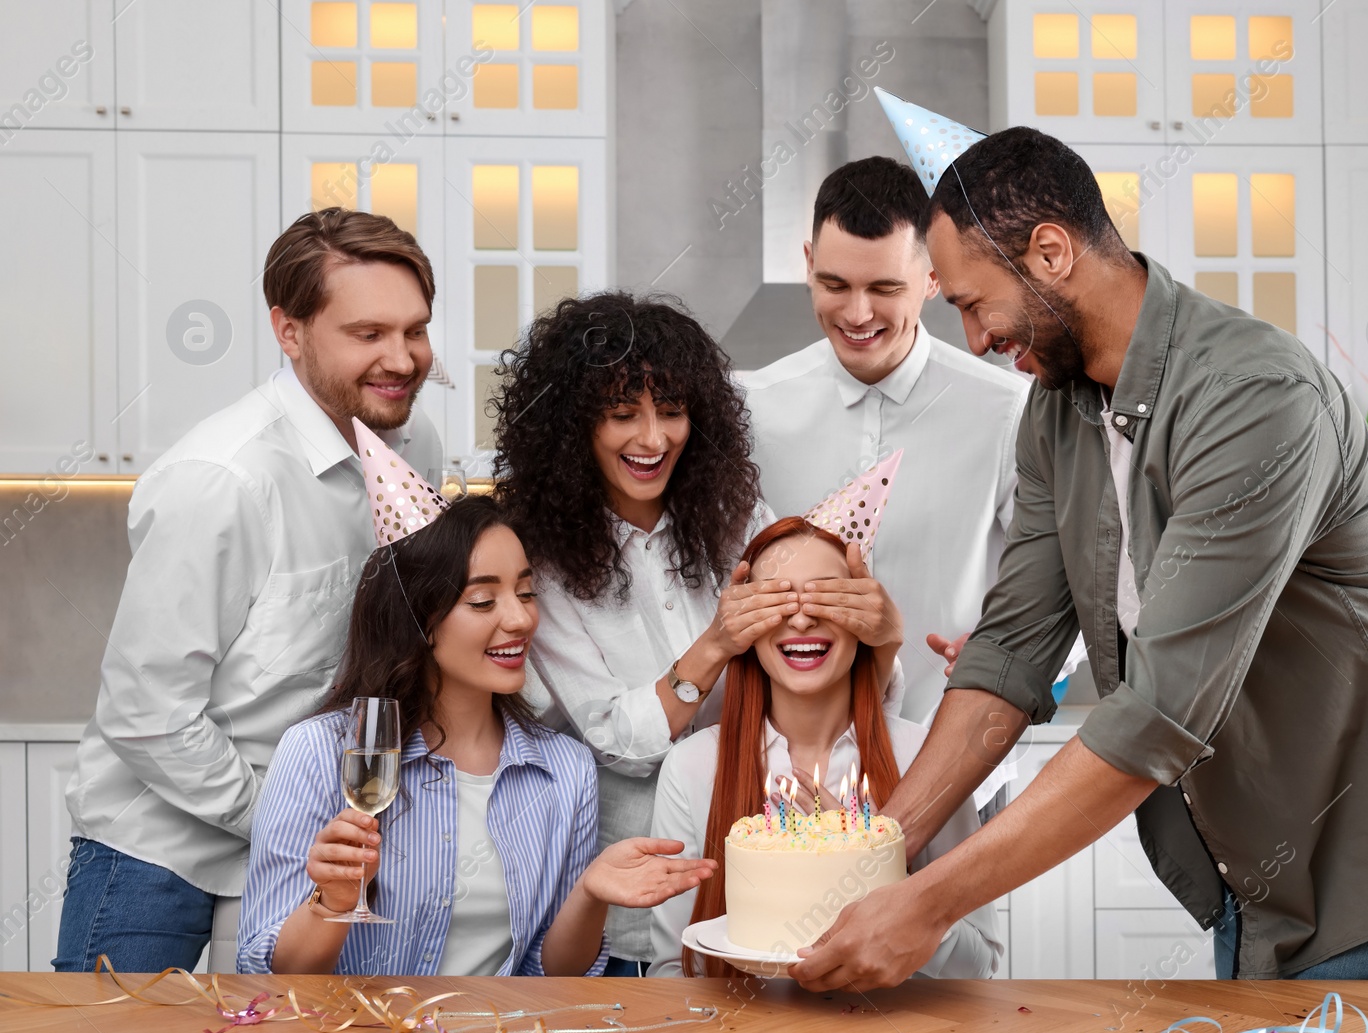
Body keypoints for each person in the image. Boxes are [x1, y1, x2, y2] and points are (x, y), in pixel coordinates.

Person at [789, 109, 1368, 988]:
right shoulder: (1058, 412)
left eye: (970, 302)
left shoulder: (1254, 397)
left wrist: (928, 904)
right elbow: (1009, 652)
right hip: (1261, 846)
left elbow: (1158, 713)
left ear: (1050, 253)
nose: (977, 340)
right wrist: (882, 844)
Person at [56, 208, 444, 972]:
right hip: (158, 844)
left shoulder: (414, 441)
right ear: (289, 330)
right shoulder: (220, 481)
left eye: (416, 330)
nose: (402, 358)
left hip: (319, 837)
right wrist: (285, 816)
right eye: (368, 334)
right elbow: (145, 712)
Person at [492, 292, 908, 975]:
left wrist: (882, 638)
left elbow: (819, 673)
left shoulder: (735, 514)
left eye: (673, 412)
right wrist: (716, 644)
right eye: (623, 415)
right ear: (571, 428)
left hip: (771, 869)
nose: (653, 439)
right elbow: (617, 739)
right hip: (635, 889)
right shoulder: (541, 563)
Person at [238, 472, 715, 976]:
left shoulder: (564, 769)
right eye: (483, 601)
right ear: (416, 617)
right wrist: (332, 903)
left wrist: (591, 893)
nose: (520, 620)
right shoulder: (319, 752)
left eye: (527, 593)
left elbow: (553, 977)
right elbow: (265, 974)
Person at [741, 157, 1037, 738]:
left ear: (933, 278)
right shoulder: (749, 409)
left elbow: (1067, 584)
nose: (857, 314)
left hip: (959, 753)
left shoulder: (1008, 412)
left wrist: (1012, 653)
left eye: (884, 288)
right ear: (807, 264)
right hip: (789, 766)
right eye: (835, 285)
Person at [648, 516, 1002, 978]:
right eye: (776, 600)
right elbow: (673, 971)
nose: (801, 617)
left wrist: (880, 875)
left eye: (827, 597)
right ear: (744, 627)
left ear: (866, 620)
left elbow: (980, 967)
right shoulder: (694, 767)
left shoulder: (927, 756)